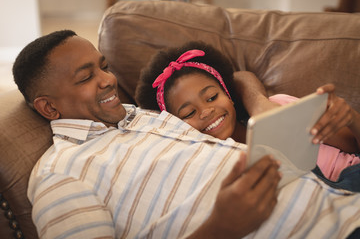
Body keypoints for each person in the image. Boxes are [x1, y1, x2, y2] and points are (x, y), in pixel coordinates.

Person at [13, 30, 360, 238]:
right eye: (85, 77)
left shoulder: (140, 116)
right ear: (49, 108)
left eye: (103, 66)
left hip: (341, 202)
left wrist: (258, 103)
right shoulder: (60, 174)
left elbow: (231, 79)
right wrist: (221, 229)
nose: (108, 80)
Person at [135, 41, 360, 186]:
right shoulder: (206, 164)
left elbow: (353, 145)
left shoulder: (277, 106)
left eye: (212, 97)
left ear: (229, 94)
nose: (207, 111)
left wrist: (349, 117)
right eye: (189, 112)